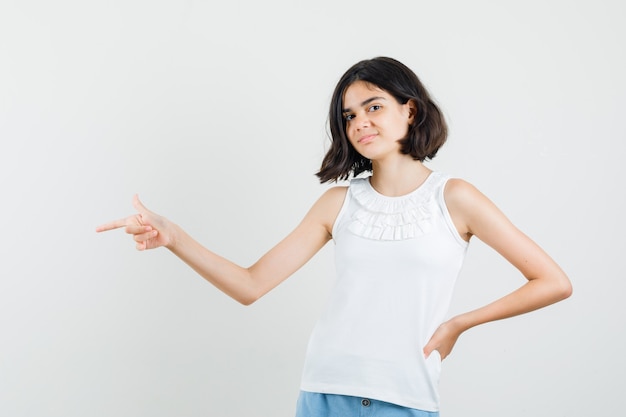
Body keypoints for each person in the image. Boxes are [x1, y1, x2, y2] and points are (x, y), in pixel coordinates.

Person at [96, 56, 572, 416]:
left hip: (404, 396)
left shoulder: (456, 198)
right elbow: (250, 284)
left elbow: (552, 281)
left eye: (374, 106)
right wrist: (174, 236)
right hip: (324, 391)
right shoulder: (338, 203)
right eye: (349, 115)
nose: (360, 122)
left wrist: (457, 325)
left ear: (410, 110)